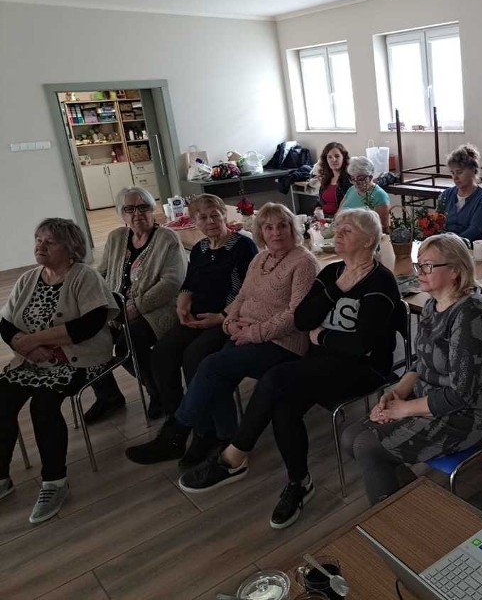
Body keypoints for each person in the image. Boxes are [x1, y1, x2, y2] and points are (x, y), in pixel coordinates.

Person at [177, 208, 401, 530]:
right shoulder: (332, 273)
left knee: (276, 379)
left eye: (346, 230)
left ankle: (235, 456)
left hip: (364, 369)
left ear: (368, 241)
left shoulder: (380, 281)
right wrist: (336, 291)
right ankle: (299, 482)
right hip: (322, 362)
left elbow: (360, 345)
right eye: (336, 228)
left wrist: (321, 335)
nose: (337, 234)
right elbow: (302, 320)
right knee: (282, 405)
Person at [124, 203, 319, 466]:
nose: (276, 232)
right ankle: (224, 437)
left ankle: (176, 434)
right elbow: (242, 296)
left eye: (283, 225)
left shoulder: (303, 261)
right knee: (217, 376)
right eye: (268, 227)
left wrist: (253, 333)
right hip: (245, 333)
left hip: (281, 343)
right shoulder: (261, 258)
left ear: (292, 228)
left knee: (211, 365)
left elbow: (297, 315)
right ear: (260, 231)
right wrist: (229, 324)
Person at [343, 233, 482, 506]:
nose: (419, 272)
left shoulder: (470, 313)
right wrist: (398, 391)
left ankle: (397, 524)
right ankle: (411, 502)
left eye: (428, 266)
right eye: (419, 265)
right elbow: (423, 359)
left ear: (455, 271)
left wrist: (404, 408)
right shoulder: (431, 305)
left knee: (366, 446)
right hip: (430, 400)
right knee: (350, 437)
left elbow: (461, 394)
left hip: (471, 415)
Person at [0, 219, 117, 524]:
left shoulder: (84, 277)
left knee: (44, 406)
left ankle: (54, 482)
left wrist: (34, 340)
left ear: (70, 248)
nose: (40, 246)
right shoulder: (29, 279)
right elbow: (5, 322)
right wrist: (24, 346)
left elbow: (89, 325)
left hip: (75, 359)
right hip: (32, 359)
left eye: (49, 242)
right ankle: (1, 477)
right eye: (38, 239)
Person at [146, 194, 258, 420]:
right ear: (194, 222)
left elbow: (251, 290)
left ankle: (204, 424)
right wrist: (183, 300)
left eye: (215, 215)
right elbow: (190, 281)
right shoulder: (200, 249)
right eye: (203, 217)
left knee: (194, 357)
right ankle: (176, 415)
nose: (210, 221)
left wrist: (221, 316)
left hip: (228, 319)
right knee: (161, 353)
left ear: (224, 215)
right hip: (197, 317)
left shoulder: (243, 246)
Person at [85, 187, 186, 424]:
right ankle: (108, 396)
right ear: (122, 214)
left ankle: (157, 393)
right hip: (117, 307)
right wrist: (94, 301)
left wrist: (137, 307)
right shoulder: (116, 237)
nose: (137, 214)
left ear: (152, 210)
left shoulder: (167, 238)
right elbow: (102, 272)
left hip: (159, 309)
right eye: (129, 209)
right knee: (86, 337)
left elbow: (172, 283)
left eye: (143, 207)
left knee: (127, 345)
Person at [438, 144, 482, 241]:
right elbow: (437, 223)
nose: (455, 178)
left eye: (459, 172)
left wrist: (450, 244)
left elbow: (474, 230)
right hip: (447, 247)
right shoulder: (447, 194)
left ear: (473, 170)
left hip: (474, 249)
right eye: (452, 173)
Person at [339, 156, 391, 231]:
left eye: (360, 179)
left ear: (370, 177)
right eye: (353, 179)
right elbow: (338, 214)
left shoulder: (380, 196)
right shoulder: (351, 190)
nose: (356, 183)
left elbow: (380, 228)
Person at [314, 142, 351, 217]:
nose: (333, 160)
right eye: (329, 157)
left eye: (337, 156)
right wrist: (317, 209)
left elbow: (349, 206)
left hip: (340, 219)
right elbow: (320, 201)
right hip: (323, 218)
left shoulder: (349, 180)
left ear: (343, 158)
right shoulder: (326, 178)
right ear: (326, 160)